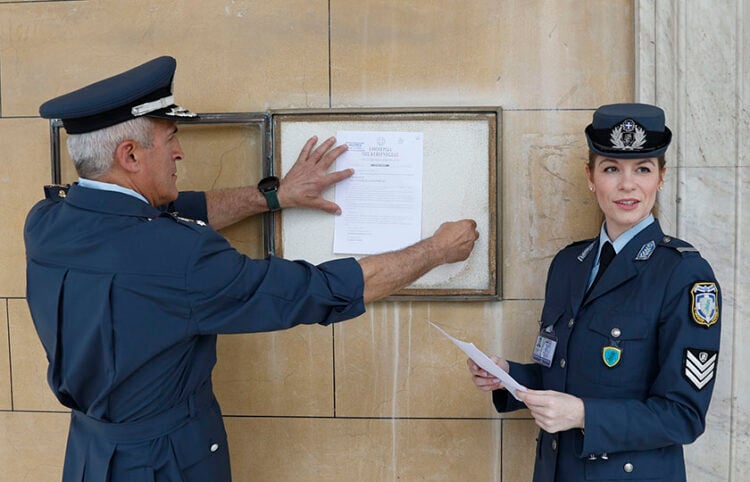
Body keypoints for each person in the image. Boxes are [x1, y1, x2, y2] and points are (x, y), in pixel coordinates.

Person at [25, 56, 479, 482]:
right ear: (130, 155)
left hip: (89, 455)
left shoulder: (46, 222)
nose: (180, 153)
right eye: (171, 140)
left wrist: (277, 195)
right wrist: (435, 251)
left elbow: (172, 210)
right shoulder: (183, 257)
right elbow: (317, 291)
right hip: (164, 462)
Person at [467, 103, 721, 481]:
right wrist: (508, 375)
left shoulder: (683, 273)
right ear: (590, 177)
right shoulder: (569, 265)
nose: (627, 185)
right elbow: (567, 373)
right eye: (611, 169)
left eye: (643, 169)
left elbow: (683, 416)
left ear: (661, 178)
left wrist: (583, 414)